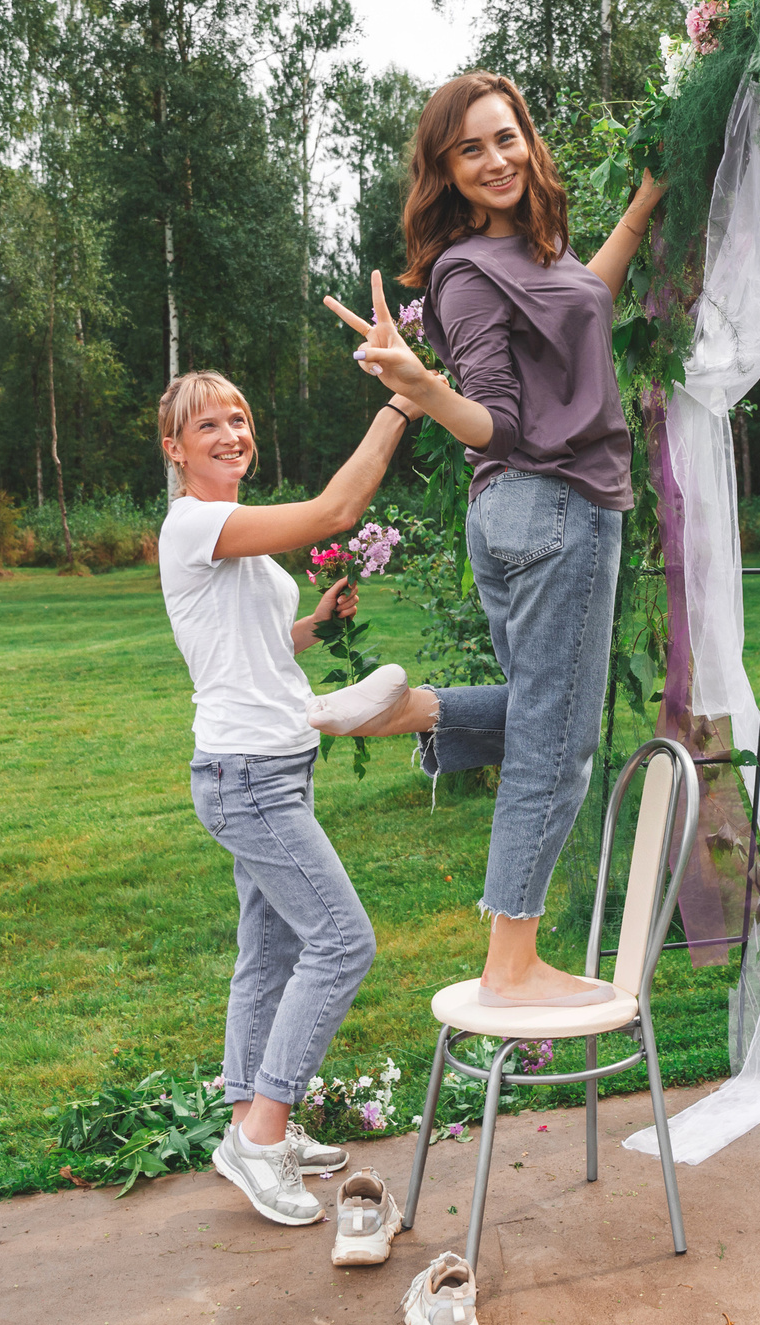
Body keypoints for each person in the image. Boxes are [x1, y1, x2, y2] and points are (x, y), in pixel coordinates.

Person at [324, 69, 664, 1009]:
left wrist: (644, 201)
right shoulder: (467, 272)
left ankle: (416, 710)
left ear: (529, 139)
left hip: (527, 512)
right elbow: (499, 424)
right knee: (560, 742)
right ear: (445, 170)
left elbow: (587, 298)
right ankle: (511, 963)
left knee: (542, 712)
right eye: (469, 149)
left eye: (505, 137)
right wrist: (425, 388)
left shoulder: (532, 255)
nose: (495, 159)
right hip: (551, 502)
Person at [156, 368, 419, 1226]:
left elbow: (254, 642)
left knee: (268, 955)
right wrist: (402, 404)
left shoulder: (231, 535)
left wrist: (314, 626)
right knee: (343, 942)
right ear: (175, 449)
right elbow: (337, 508)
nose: (232, 433)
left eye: (240, 416)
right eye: (209, 425)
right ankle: (261, 1136)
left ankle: (249, 1120)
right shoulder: (197, 522)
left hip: (268, 765)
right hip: (249, 776)